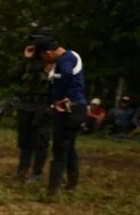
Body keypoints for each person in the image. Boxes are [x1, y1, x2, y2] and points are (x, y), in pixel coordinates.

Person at [34, 35, 87, 197]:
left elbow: (65, 77)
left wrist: (59, 101)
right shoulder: (66, 59)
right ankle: (72, 183)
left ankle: (52, 191)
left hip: (69, 109)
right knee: (68, 147)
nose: (45, 62)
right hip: (74, 107)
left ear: (48, 53)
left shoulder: (66, 60)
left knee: (59, 149)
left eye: (43, 58)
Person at [10, 35, 51, 180]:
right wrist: (25, 59)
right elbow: (12, 76)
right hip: (25, 105)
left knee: (41, 142)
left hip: (43, 106)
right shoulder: (27, 64)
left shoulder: (51, 63)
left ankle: (36, 173)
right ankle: (22, 171)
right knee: (24, 141)